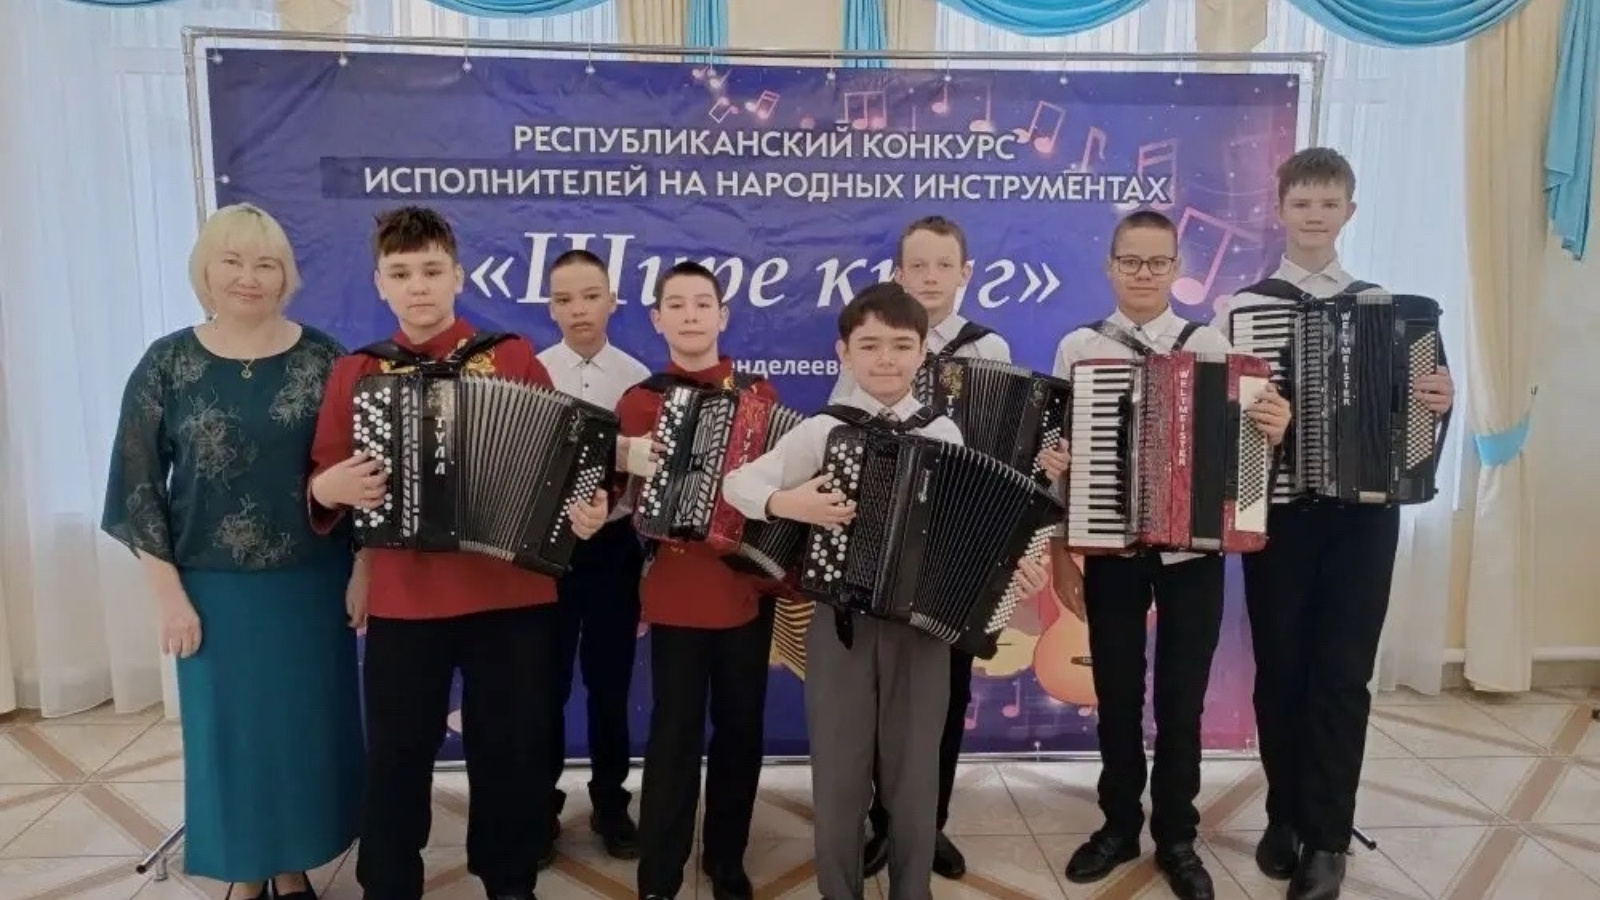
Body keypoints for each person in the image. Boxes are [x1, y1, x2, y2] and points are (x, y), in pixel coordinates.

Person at [307, 206, 608, 900]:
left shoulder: (512, 356)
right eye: (401, 274)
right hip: (405, 596)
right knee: (398, 752)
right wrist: (330, 486)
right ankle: (390, 884)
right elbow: (323, 474)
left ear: (458, 276)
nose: (418, 286)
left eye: (431, 271)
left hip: (511, 593)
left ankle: (509, 882)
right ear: (380, 283)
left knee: (509, 751)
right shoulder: (358, 369)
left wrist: (586, 507)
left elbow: (561, 461)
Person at [723, 282, 1053, 900]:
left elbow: (970, 533)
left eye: (901, 345)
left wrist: (1014, 570)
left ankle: (912, 890)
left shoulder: (944, 432)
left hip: (922, 632)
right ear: (843, 352)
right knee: (839, 775)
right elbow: (738, 484)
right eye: (869, 345)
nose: (885, 359)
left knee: (915, 774)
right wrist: (789, 503)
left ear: (923, 353)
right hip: (839, 626)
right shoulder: (824, 429)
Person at [101, 203, 364, 900]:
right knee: (233, 737)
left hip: (313, 583)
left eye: (265, 263)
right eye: (233, 261)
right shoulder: (168, 363)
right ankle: (246, 876)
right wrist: (168, 597)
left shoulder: (326, 359)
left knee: (303, 732)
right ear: (206, 272)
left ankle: (294, 866)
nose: (249, 277)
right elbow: (135, 486)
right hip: (214, 590)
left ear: (286, 277)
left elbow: (363, 473)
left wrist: (363, 570)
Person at [1213, 147, 1454, 900]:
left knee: (1343, 679)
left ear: (1349, 212)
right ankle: (1283, 813)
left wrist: (1438, 404)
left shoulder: (1387, 307)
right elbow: (1216, 424)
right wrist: (1263, 427)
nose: (1314, 216)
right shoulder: (1241, 310)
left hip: (1363, 522)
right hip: (1279, 516)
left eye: (1328, 204)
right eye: (1301, 203)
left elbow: (1413, 415)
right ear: (1278, 210)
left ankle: (1327, 837)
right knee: (1280, 673)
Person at [1051, 209, 1291, 900]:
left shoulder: (1209, 343)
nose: (1144, 274)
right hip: (1112, 551)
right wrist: (1063, 548)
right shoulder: (1079, 346)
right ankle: (1118, 825)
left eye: (1158, 262)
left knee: (1181, 701)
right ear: (1110, 266)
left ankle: (1178, 836)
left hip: (1194, 557)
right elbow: (1060, 459)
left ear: (1178, 268)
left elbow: (1245, 449)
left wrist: (1273, 431)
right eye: (1131, 261)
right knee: (1116, 693)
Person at [830, 215, 1013, 880]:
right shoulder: (873, 342)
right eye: (918, 265)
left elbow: (1006, 444)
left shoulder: (989, 347)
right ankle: (883, 823)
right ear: (898, 273)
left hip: (957, 550)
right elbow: (838, 435)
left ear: (966, 273)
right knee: (882, 696)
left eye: (943, 265)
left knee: (945, 695)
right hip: (882, 548)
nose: (930, 277)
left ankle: (926, 824)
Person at [619, 261, 775, 900]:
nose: (690, 315)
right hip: (676, 590)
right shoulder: (640, 399)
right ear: (657, 320)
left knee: (741, 729)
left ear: (722, 316)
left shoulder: (759, 394)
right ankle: (660, 870)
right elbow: (625, 503)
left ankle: (726, 859)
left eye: (702, 303)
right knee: (674, 733)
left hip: (745, 588)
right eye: (676, 305)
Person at [536, 249, 651, 864]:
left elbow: (648, 482)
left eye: (590, 296)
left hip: (613, 550)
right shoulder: (532, 372)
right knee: (544, 683)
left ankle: (611, 803)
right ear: (550, 308)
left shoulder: (638, 378)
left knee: (610, 684)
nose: (578, 309)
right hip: (546, 552)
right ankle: (541, 805)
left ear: (612, 300)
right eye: (564, 299)